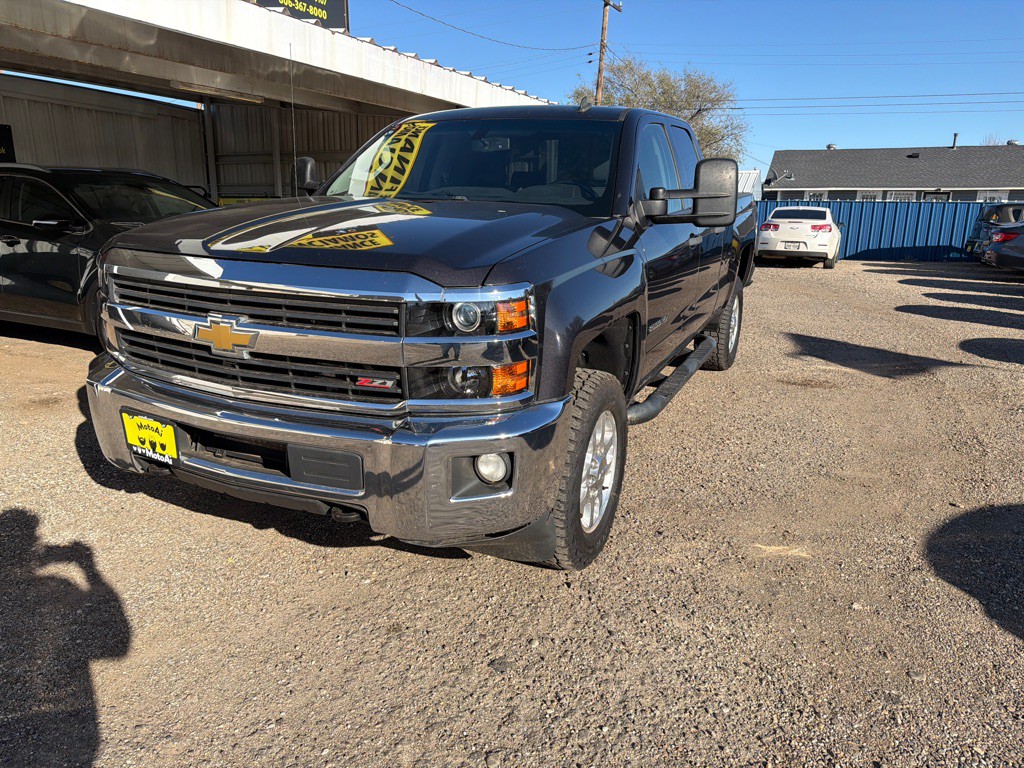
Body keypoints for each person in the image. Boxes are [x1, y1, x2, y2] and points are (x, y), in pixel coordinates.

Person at [0, 508, 131, 767]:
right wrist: (90, 570)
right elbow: (117, 643)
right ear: (33, 550)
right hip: (67, 721)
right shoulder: (57, 590)